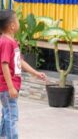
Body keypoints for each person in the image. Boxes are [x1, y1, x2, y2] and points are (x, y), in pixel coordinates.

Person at [0, 10, 46, 139]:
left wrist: (36, 73)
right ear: (12, 26)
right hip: (7, 87)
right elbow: (4, 64)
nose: (19, 22)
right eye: (17, 20)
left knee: (7, 114)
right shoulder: (6, 42)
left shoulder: (11, 42)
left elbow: (19, 61)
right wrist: (10, 87)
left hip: (9, 86)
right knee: (12, 116)